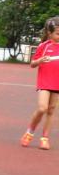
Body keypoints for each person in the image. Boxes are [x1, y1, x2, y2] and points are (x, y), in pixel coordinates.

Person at [20, 16, 59, 151]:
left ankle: (45, 138)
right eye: (58, 33)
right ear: (49, 33)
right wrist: (40, 60)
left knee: (51, 110)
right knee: (42, 108)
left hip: (57, 82)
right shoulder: (44, 46)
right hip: (45, 81)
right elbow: (32, 64)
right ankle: (29, 132)